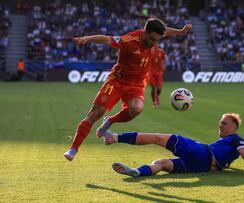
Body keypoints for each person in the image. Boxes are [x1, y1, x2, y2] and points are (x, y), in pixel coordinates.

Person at [64, 18, 192, 161]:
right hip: (117, 81)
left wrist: (180, 32)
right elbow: (107, 39)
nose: (155, 43)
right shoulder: (129, 40)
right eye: (153, 39)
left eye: (158, 40)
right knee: (95, 113)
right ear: (145, 32)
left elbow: (165, 31)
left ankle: (109, 121)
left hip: (136, 84)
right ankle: (73, 149)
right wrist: (87, 39)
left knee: (137, 108)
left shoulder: (155, 36)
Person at [101, 113, 244, 177]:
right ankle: (137, 171)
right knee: (161, 163)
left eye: (223, 124)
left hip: (203, 153)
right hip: (201, 166)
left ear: (233, 127)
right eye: (220, 123)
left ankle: (115, 137)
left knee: (158, 138)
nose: (220, 126)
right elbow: (229, 159)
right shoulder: (226, 145)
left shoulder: (236, 139)